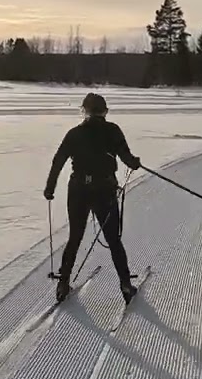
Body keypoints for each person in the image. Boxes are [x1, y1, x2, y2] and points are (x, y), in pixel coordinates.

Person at [44, 92, 142, 304]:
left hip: (78, 189)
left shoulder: (74, 134)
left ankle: (63, 284)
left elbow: (58, 161)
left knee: (75, 237)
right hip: (104, 189)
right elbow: (126, 156)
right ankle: (125, 284)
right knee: (113, 240)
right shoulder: (113, 130)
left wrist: (50, 188)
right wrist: (134, 162)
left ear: (85, 111)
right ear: (104, 111)